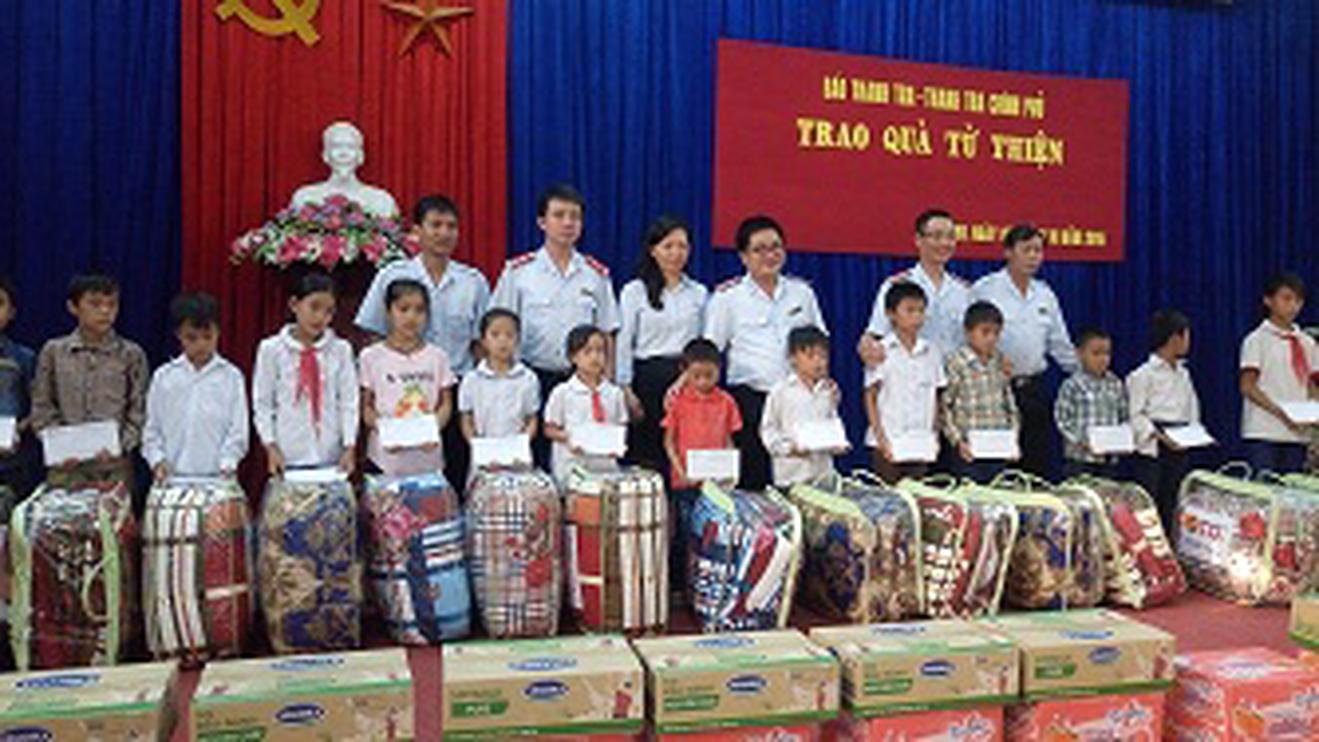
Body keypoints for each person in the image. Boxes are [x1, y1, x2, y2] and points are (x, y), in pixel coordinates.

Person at [355, 195, 490, 486]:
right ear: (417, 231)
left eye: (451, 226)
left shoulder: (473, 282)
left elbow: (481, 344)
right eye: (435, 225)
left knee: (451, 478)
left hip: (454, 393)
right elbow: (373, 333)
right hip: (399, 392)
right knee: (397, 481)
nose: (444, 233)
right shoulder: (392, 275)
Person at [489, 184, 620, 465]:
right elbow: (498, 328)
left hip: (582, 382)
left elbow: (607, 332)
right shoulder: (519, 272)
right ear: (542, 222)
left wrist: (607, 383)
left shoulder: (595, 274)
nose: (567, 223)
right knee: (529, 461)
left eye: (575, 216)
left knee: (579, 457)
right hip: (530, 378)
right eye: (559, 215)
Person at [705, 215, 827, 490]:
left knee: (802, 477)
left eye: (775, 247)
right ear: (743, 257)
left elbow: (819, 344)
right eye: (759, 250)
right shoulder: (728, 297)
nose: (770, 256)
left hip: (797, 398)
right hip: (752, 400)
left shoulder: (802, 293)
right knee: (755, 480)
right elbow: (710, 351)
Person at [971, 224, 1077, 477]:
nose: (1033, 257)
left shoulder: (1045, 294)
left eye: (1038, 251)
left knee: (1035, 467)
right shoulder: (985, 289)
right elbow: (970, 338)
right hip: (995, 391)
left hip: (1034, 390)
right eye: (1026, 250)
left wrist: (1086, 372)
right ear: (1008, 252)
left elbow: (1060, 345)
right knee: (999, 469)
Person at [30, 274, 149, 491]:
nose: (105, 311)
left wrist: (121, 446)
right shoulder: (54, 352)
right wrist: (59, 446)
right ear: (73, 307)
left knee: (111, 513)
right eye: (95, 304)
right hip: (65, 467)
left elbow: (138, 410)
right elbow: (42, 406)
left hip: (113, 467)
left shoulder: (131, 354)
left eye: (112, 304)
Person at [617, 216, 707, 475]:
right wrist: (625, 389)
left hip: (687, 381)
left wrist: (686, 379)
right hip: (646, 382)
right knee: (647, 459)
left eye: (682, 246)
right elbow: (624, 342)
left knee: (683, 455)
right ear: (653, 250)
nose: (676, 253)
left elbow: (703, 345)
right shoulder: (634, 291)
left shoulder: (699, 293)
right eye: (668, 246)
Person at [253, 271, 359, 476]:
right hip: (287, 455)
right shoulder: (271, 349)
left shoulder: (341, 350)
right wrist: (270, 445)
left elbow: (348, 401)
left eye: (329, 311)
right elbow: (263, 403)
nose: (320, 317)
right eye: (314, 307)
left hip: (330, 456)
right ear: (294, 304)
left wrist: (349, 445)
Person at [661, 337, 741, 596]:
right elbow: (669, 442)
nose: (704, 381)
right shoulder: (678, 401)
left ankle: (708, 585)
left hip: (716, 483)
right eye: (696, 376)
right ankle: (680, 586)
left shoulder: (726, 401)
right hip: (685, 481)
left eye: (710, 375)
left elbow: (728, 439)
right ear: (684, 372)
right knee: (686, 532)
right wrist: (680, 471)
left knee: (714, 533)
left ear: (720, 370)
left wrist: (731, 470)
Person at [142, 292, 248, 481]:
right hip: (170, 477)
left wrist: (228, 463)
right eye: (192, 338)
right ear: (179, 335)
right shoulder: (164, 377)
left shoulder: (231, 377)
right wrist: (157, 461)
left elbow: (238, 431)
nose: (201, 345)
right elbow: (152, 429)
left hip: (218, 477)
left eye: (208, 337)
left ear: (218, 332)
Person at [358, 279, 456, 477]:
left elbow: (446, 403)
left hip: (428, 459)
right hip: (385, 459)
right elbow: (366, 406)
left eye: (419, 310)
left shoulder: (438, 356)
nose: (411, 317)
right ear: (388, 312)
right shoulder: (371, 356)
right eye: (403, 309)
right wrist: (386, 431)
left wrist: (433, 429)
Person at [858, 208, 971, 364]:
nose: (945, 243)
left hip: (954, 375)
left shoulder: (964, 291)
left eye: (951, 237)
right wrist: (867, 347)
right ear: (918, 240)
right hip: (910, 373)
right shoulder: (897, 285)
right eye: (937, 236)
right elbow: (875, 335)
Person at [864, 282, 945, 484]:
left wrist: (934, 433)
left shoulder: (932, 352)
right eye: (909, 310)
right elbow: (870, 396)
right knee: (890, 496)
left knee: (917, 493)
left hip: (920, 441)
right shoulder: (881, 351)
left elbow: (937, 396)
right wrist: (881, 438)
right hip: (889, 441)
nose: (916, 317)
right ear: (891, 313)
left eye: (920, 311)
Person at [1127, 310, 1201, 532]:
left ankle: (1172, 542)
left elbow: (1192, 407)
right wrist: (1159, 435)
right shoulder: (1142, 375)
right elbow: (1135, 414)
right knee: (1151, 502)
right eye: (1186, 336)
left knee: (1175, 500)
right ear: (1175, 338)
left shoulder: (1184, 374)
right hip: (1154, 444)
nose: (1188, 342)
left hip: (1180, 441)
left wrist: (1192, 434)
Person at [1239, 272, 1317, 472]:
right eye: (1286, 298)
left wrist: (1311, 415)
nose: (1293, 306)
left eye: (1298, 301)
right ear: (1268, 300)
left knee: (1293, 487)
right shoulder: (1256, 340)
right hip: (1264, 431)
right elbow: (1248, 386)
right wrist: (1282, 414)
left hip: (1297, 434)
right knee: (1265, 485)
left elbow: (1312, 385)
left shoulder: (1308, 343)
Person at [940, 301, 1019, 484]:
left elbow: (1009, 403)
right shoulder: (957, 363)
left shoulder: (1000, 361)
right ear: (968, 332)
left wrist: (1013, 438)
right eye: (985, 332)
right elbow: (945, 406)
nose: (991, 338)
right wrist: (957, 441)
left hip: (998, 446)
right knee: (971, 494)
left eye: (996, 333)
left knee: (997, 492)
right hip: (968, 449)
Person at [760, 326, 846, 488]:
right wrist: (788, 448)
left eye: (823, 356)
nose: (818, 362)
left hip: (823, 475)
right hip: (792, 476)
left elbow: (831, 420)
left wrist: (837, 442)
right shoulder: (781, 391)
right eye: (810, 356)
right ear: (793, 358)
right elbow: (768, 430)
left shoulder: (828, 391)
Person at [543, 325, 628, 483]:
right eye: (587, 352)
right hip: (572, 465)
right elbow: (549, 429)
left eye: (600, 351)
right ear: (573, 357)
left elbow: (620, 424)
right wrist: (571, 438)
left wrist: (617, 443)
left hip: (605, 466)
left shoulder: (614, 393)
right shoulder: (562, 392)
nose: (595, 357)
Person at [1054, 328, 1129, 480]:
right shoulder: (1072, 385)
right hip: (1080, 459)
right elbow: (1062, 420)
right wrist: (1083, 442)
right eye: (1096, 354)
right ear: (1079, 354)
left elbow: (1123, 416)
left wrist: (1121, 439)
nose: (1102, 359)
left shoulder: (1115, 384)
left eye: (1107, 353)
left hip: (1108, 459)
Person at [458, 309, 541, 444]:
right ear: (484, 340)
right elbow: (466, 418)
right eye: (495, 335)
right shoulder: (472, 379)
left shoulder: (528, 378)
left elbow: (532, 418)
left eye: (509, 335)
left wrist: (522, 442)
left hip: (517, 449)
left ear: (518, 340)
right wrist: (476, 444)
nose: (503, 341)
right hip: (483, 449)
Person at [0, 275, 36, 498]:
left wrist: (17, 431)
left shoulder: (24, 358)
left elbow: (37, 408)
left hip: (11, 463)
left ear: (11, 312)